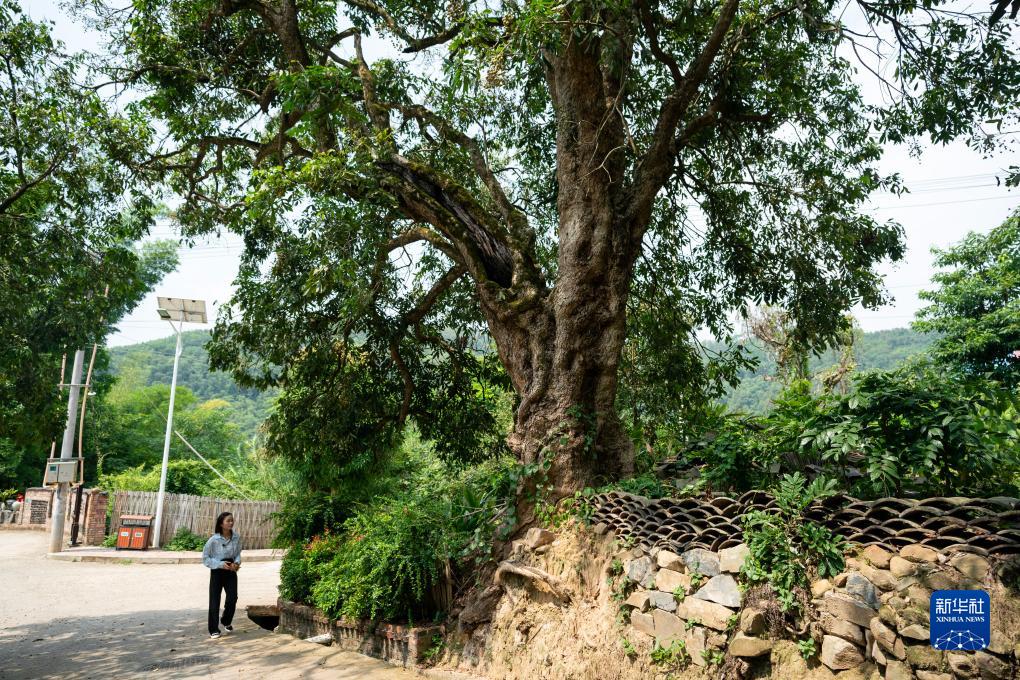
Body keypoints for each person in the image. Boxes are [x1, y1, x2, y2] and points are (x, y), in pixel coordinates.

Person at [202, 511, 242, 639]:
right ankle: (213, 629)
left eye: (232, 520)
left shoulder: (236, 537)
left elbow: (238, 553)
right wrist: (219, 564)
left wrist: (236, 562)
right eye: (228, 521)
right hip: (217, 570)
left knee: (232, 598)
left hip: (231, 570)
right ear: (221, 524)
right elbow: (205, 558)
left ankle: (226, 621)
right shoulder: (213, 540)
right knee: (214, 600)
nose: (231, 522)